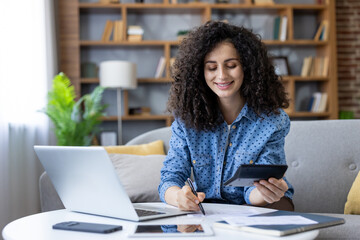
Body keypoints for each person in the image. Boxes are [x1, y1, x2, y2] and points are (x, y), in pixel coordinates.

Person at [158, 21, 294, 212]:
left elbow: (253, 190)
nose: (221, 76)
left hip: (255, 207)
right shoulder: (186, 119)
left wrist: (265, 193)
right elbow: (171, 178)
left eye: (231, 65)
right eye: (212, 68)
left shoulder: (272, 121)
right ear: (199, 72)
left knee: (278, 207)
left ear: (247, 67)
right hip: (206, 209)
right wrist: (178, 196)